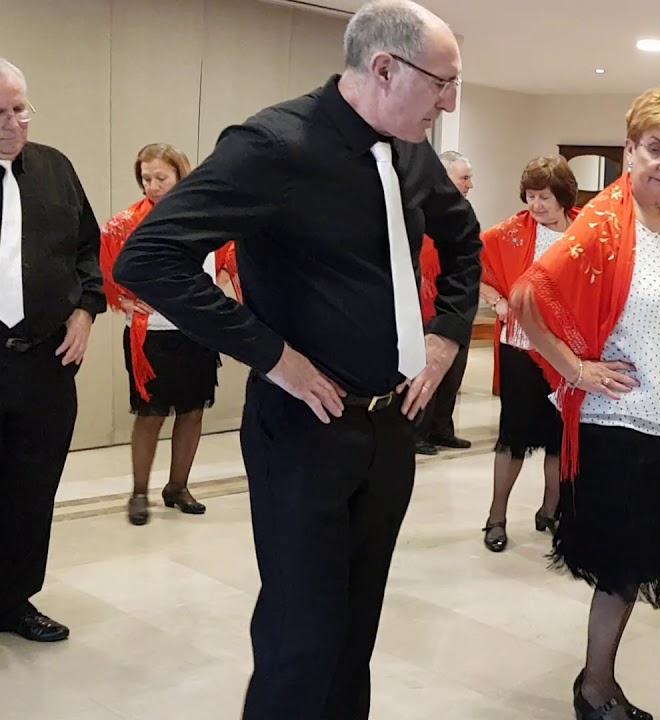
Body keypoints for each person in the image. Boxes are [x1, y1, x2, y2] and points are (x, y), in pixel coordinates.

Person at [112, 2, 482, 718]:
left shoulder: (407, 149)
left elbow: (463, 242)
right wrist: (272, 355)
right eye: (444, 82)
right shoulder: (274, 144)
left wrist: (446, 335)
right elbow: (150, 257)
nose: (451, 100)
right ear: (384, 68)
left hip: (388, 426)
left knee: (355, 632)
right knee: (301, 638)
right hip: (303, 429)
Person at [511, 86, 660, 720]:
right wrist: (576, 369)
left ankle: (599, 678)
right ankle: (595, 688)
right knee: (622, 567)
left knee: (639, 558)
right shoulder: (603, 221)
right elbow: (527, 298)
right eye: (656, 149)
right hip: (618, 424)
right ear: (629, 149)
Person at [0, 57, 104, 644]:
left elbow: (88, 252)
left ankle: (13, 600)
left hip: (44, 362)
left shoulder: (55, 170)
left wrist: (87, 311)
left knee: (31, 490)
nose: (13, 124)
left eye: (20, 110)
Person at [99, 143, 241, 526]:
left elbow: (229, 251)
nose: (153, 186)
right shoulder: (126, 223)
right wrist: (125, 303)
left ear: (181, 175)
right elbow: (107, 273)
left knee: (193, 411)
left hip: (197, 329)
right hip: (151, 335)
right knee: (151, 413)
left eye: (161, 177)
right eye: (146, 179)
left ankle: (178, 486)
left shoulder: (204, 215)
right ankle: (139, 492)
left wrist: (221, 280)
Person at [478, 155, 578, 552]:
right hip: (521, 350)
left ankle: (550, 511)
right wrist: (497, 300)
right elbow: (473, 268)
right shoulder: (510, 233)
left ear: (564, 197)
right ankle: (496, 518)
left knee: (559, 440)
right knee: (513, 439)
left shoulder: (586, 231)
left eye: (545, 197)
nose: (536, 205)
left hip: (568, 355)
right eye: (531, 196)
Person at [414, 149, 476, 456]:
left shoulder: (462, 215)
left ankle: (442, 429)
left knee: (453, 373)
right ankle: (418, 432)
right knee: (427, 372)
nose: (470, 184)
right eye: (464, 178)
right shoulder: (422, 212)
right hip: (424, 308)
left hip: (454, 307)